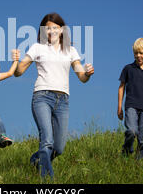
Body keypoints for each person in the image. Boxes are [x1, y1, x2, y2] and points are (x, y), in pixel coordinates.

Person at [14, 12, 94, 178]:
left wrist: (87, 73)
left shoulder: (71, 51)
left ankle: (36, 159)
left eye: (55, 28)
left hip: (63, 101)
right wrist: (16, 61)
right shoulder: (37, 48)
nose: (51, 31)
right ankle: (47, 180)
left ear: (62, 30)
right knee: (47, 140)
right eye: (47, 29)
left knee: (59, 148)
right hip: (42, 97)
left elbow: (81, 77)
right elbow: (19, 72)